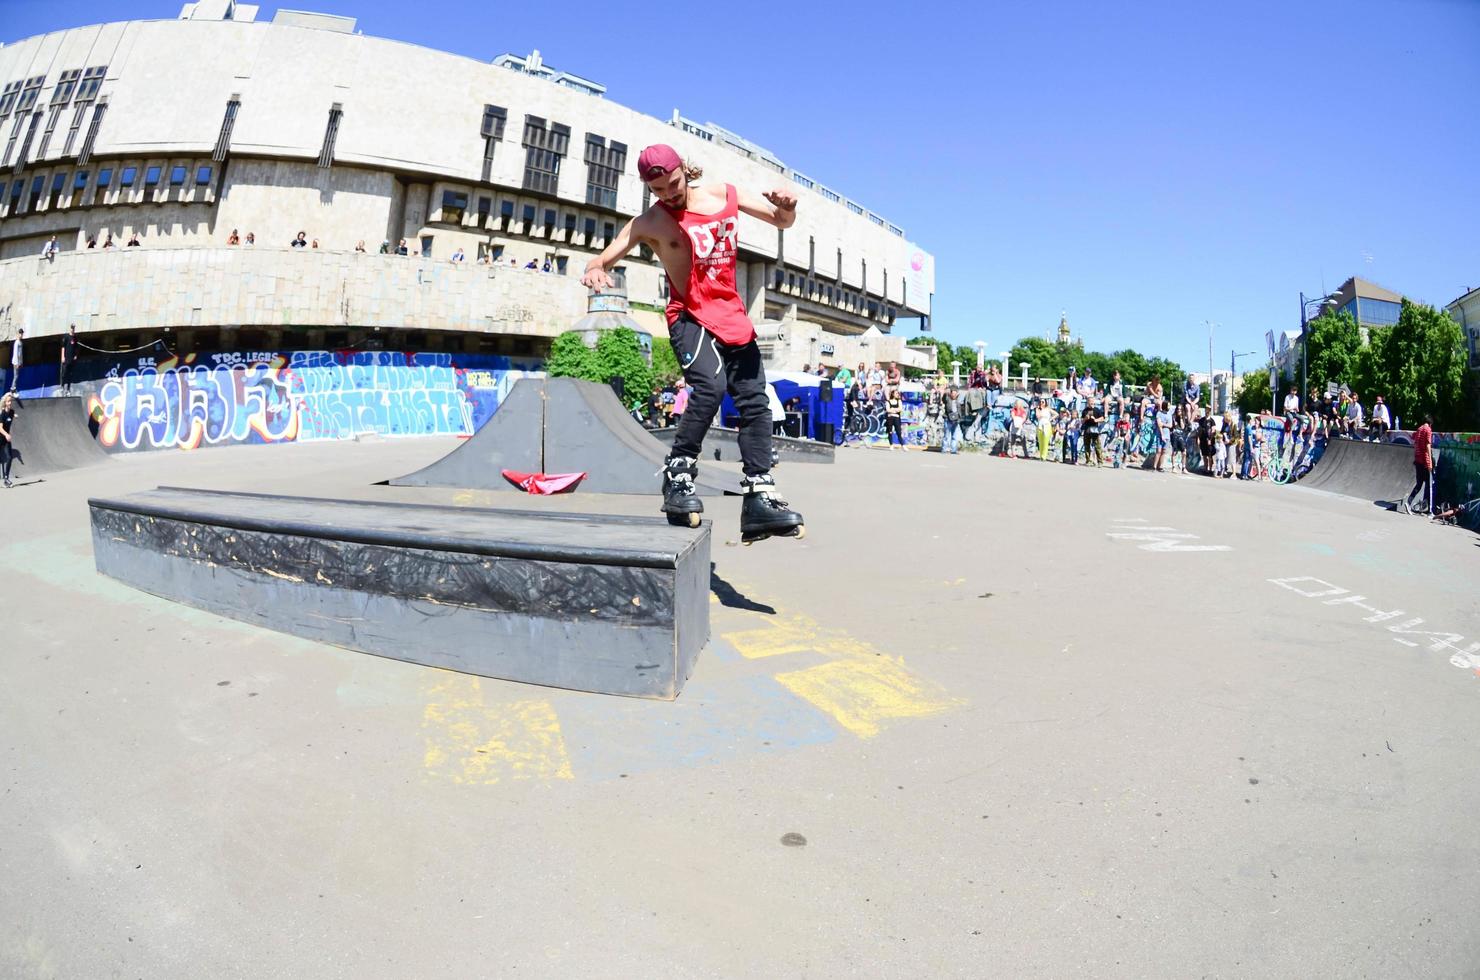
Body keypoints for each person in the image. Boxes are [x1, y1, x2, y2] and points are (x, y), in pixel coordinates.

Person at [581, 143, 802, 541]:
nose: (670, 195)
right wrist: (595, 271)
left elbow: (780, 221)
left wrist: (787, 205)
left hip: (732, 315)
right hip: (689, 315)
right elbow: (601, 259)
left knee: (756, 399)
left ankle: (760, 495)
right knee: (710, 387)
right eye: (660, 190)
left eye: (674, 184)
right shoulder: (648, 222)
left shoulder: (723, 194)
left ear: (685, 170)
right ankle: (679, 474)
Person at [1403, 415, 1434, 514]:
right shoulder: (1428, 430)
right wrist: (1430, 462)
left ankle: (1409, 502)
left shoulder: (1419, 429)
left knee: (1419, 484)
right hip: (1425, 461)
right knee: (1429, 485)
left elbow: (1415, 445)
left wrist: (1416, 457)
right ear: (1430, 423)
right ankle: (1429, 509)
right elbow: (1428, 445)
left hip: (1418, 460)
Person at [942, 384, 963, 455]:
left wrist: (959, 418)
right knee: (946, 435)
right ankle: (944, 449)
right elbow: (944, 397)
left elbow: (960, 411)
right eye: (952, 393)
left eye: (955, 393)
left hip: (956, 420)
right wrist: (947, 390)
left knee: (954, 436)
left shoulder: (958, 400)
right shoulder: (947, 399)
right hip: (948, 419)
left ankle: (953, 450)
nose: (954, 394)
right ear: (950, 393)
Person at [58, 324, 78, 395]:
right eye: (72, 328)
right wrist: (62, 357)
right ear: (70, 328)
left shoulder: (75, 338)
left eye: (74, 328)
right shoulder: (66, 337)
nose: (73, 329)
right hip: (66, 358)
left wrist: (75, 355)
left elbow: (76, 347)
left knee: (70, 374)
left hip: (72, 359)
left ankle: (68, 389)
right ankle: (62, 386)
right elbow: (63, 347)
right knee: (64, 373)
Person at [0, 392, 14, 488]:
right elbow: (0, 428)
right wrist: (6, 434)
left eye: (11, 401)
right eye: (8, 401)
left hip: (6, 439)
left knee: (9, 457)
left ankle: (6, 478)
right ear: (5, 403)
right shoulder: (2, 414)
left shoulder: (12, 412)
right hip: (1, 437)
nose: (10, 403)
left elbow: (11, 417)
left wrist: (15, 416)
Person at [8, 327, 22, 393]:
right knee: (15, 376)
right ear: (18, 334)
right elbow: (16, 353)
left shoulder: (20, 342)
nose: (21, 335)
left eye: (22, 334)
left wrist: (21, 362)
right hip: (15, 362)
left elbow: (20, 353)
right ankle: (12, 389)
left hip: (18, 362)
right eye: (20, 334)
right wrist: (16, 363)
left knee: (16, 376)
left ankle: (13, 388)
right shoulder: (17, 342)